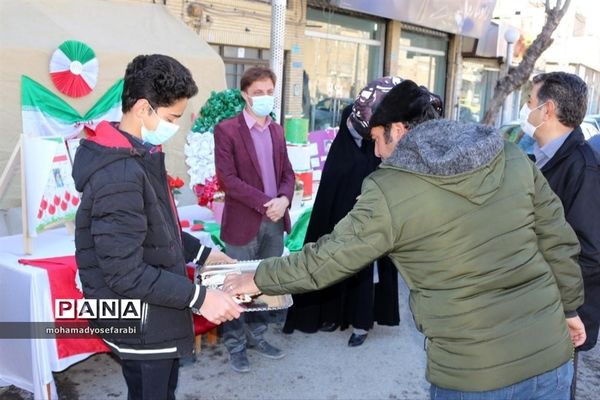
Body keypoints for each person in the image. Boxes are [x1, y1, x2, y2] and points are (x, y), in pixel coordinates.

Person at [225, 80, 587, 399]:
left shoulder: (390, 189)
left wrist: (258, 277)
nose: (377, 152)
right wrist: (569, 309)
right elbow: (557, 241)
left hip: (474, 374)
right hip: (550, 360)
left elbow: (325, 259)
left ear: (397, 129)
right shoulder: (508, 154)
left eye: (376, 141)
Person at [72, 54, 243, 400]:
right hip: (137, 319)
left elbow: (159, 228)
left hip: (153, 312)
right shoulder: (118, 174)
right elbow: (125, 273)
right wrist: (200, 299)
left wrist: (204, 254)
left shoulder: (139, 155)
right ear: (142, 109)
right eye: (171, 117)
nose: (175, 126)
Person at [282, 77, 406, 346]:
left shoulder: (380, 151)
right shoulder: (342, 151)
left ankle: (362, 323)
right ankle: (334, 316)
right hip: (342, 226)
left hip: (371, 226)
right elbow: (331, 191)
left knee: (365, 272)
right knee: (334, 263)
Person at [519, 71, 600, 396]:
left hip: (556, 322)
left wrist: (559, 309)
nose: (526, 110)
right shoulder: (543, 160)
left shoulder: (583, 169)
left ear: (547, 110)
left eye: (530, 102)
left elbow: (588, 253)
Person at [213, 66, 295, 373]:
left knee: (264, 284)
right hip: (243, 222)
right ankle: (235, 345)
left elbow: (287, 173)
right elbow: (228, 180)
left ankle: (258, 336)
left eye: (269, 92)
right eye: (258, 93)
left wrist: (284, 200)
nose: (264, 98)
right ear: (245, 95)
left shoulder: (277, 130)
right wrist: (267, 204)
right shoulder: (227, 130)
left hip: (275, 221)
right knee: (236, 286)